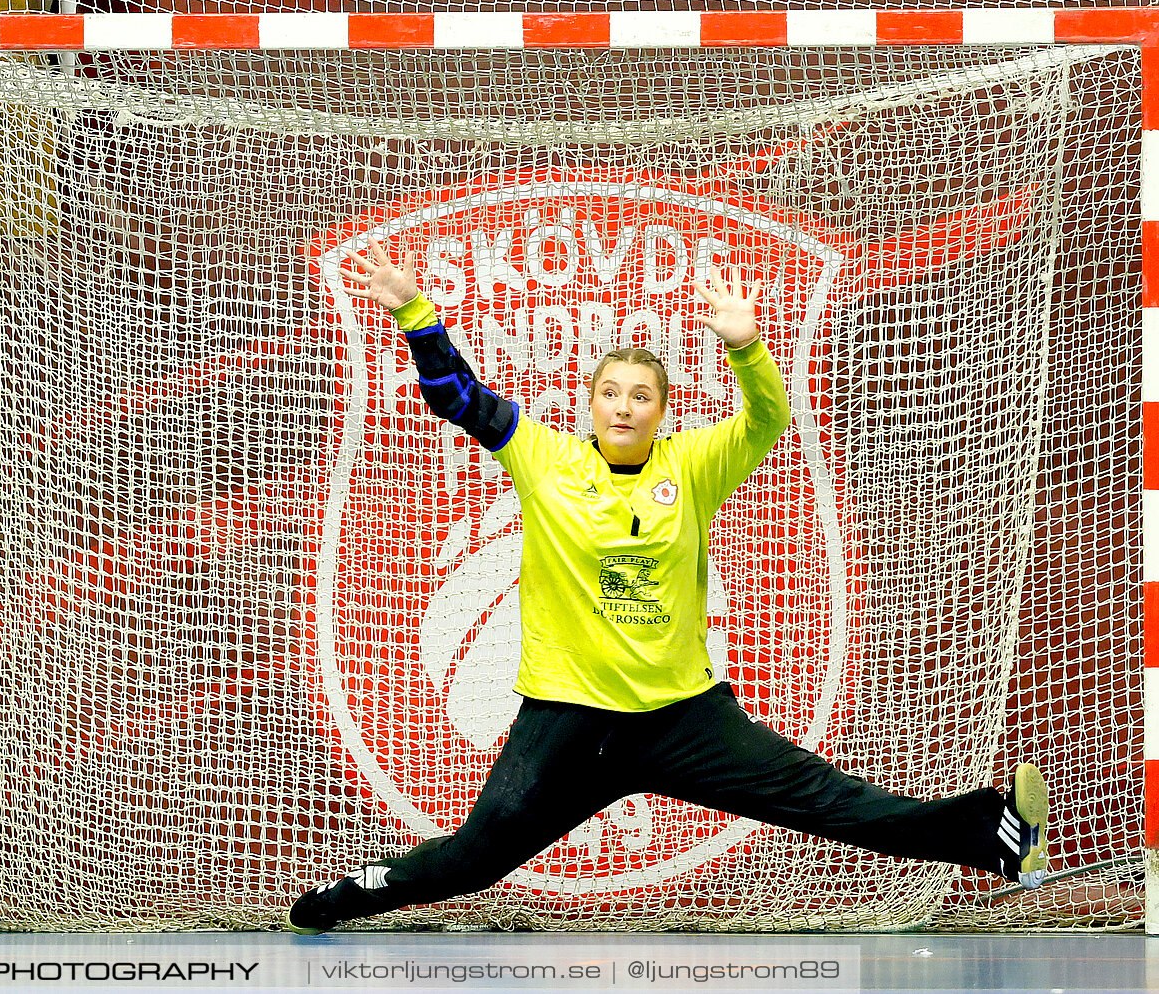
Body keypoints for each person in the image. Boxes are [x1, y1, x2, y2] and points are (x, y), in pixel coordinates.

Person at [287, 242, 1051, 934]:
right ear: (590, 403)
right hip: (568, 722)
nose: (624, 407)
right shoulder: (544, 457)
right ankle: (347, 897)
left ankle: (990, 834)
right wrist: (414, 312)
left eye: (641, 396)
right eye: (611, 393)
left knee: (824, 799)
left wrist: (746, 346)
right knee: (470, 862)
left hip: (681, 718)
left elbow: (768, 418)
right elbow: (457, 396)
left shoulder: (690, 466)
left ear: (661, 411)